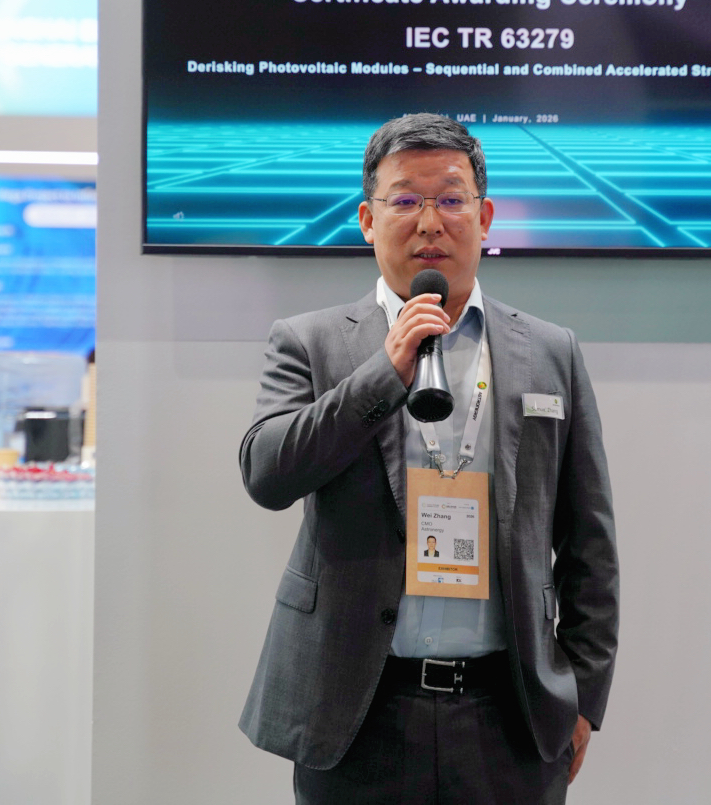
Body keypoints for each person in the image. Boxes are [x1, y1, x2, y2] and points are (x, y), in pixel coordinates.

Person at [239, 113, 619, 804]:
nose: (429, 222)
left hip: (509, 715)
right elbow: (267, 474)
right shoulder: (309, 342)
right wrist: (383, 373)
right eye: (405, 200)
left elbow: (589, 541)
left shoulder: (550, 351)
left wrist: (584, 695)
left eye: (450, 199)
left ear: (485, 216)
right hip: (356, 713)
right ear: (367, 220)